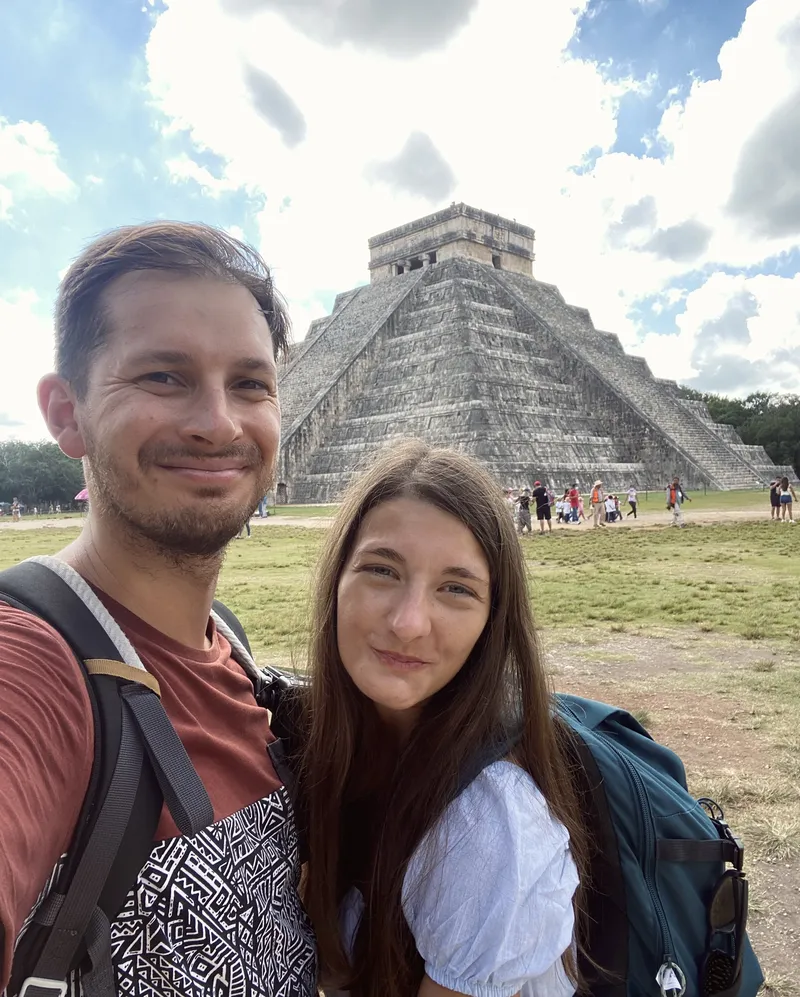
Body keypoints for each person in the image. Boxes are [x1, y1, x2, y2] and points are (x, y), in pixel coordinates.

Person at [0, 223, 316, 994]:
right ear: (66, 412)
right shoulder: (34, 665)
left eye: (251, 383)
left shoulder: (229, 646)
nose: (219, 422)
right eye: (164, 377)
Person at [297, 441, 588, 997]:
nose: (409, 623)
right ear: (336, 582)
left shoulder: (487, 826)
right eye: (381, 570)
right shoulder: (325, 748)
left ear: (492, 620)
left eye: (457, 588)